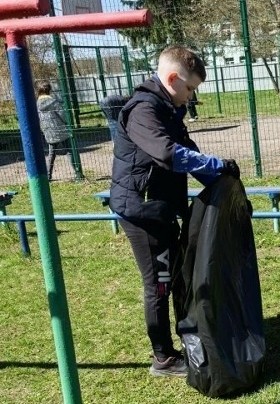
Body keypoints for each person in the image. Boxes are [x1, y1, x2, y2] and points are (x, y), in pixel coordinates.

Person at [109, 45, 240, 377]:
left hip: (161, 206)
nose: (191, 96)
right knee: (159, 282)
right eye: (190, 88)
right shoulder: (143, 110)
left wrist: (220, 179)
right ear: (172, 79)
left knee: (175, 274)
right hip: (142, 211)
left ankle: (188, 333)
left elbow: (187, 150)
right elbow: (169, 154)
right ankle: (163, 357)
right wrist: (216, 165)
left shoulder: (168, 107)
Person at [36, 80, 77, 181]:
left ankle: (48, 176)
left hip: (48, 131)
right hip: (61, 130)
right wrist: (68, 122)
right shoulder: (54, 102)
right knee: (69, 151)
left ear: (38, 91)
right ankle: (77, 172)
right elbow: (63, 115)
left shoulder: (36, 104)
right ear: (49, 90)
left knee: (51, 154)